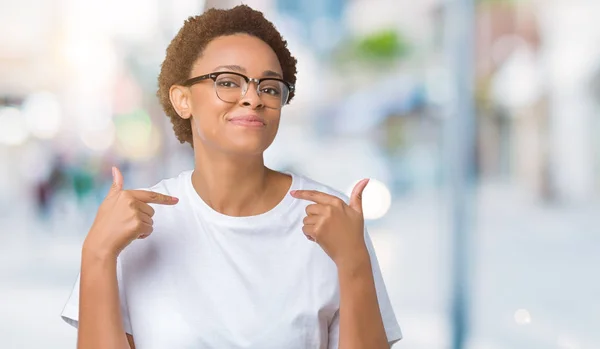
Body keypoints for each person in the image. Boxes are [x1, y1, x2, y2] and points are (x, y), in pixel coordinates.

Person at [61, 5, 402, 349]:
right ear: (182, 100)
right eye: (228, 82)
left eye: (269, 87)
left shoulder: (332, 219)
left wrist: (353, 261)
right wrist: (97, 254)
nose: (253, 98)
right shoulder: (135, 228)